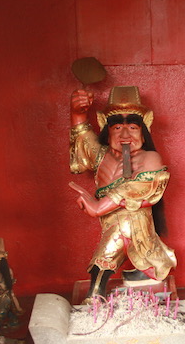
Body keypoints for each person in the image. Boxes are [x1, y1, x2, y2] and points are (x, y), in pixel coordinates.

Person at [69, 86, 176, 301]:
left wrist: (98, 206)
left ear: (144, 132)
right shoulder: (102, 156)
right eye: (117, 127)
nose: (125, 135)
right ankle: (108, 285)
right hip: (109, 222)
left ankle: (98, 291)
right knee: (114, 236)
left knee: (121, 229)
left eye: (133, 128)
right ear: (107, 130)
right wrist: (77, 112)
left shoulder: (150, 158)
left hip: (135, 222)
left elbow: (137, 188)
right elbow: (82, 135)